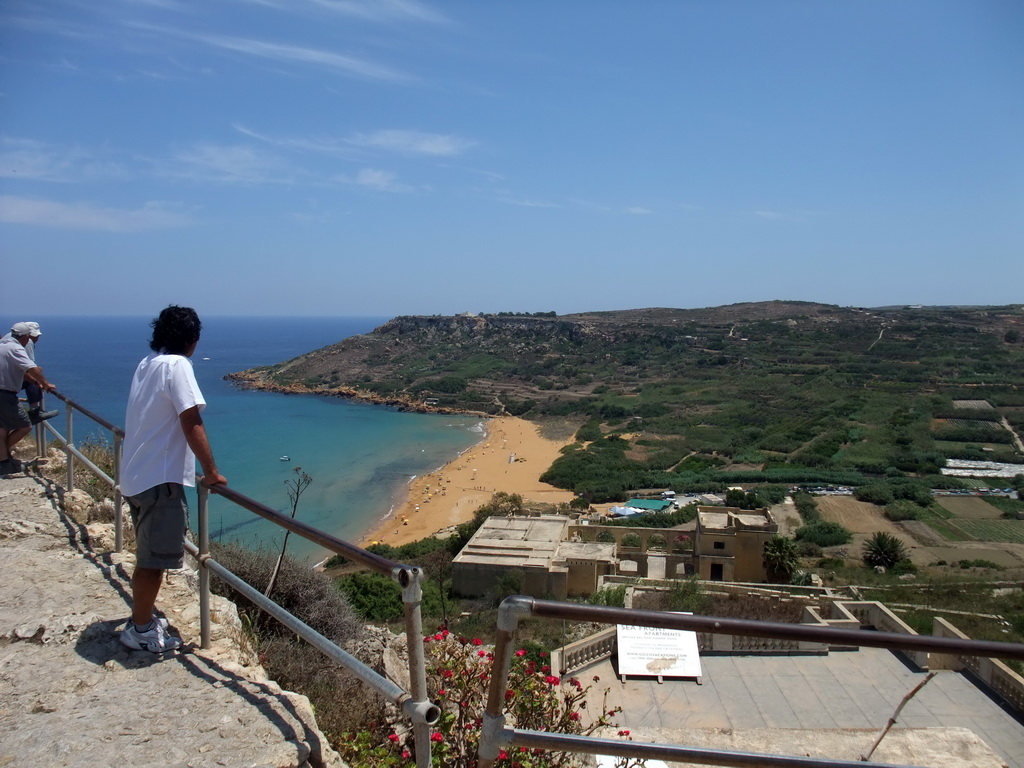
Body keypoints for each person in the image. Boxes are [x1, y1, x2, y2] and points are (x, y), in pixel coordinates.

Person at [119, 306, 227, 653]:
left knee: (148, 555)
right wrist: (211, 472)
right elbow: (191, 418)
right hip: (159, 481)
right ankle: (139, 630)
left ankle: (143, 617)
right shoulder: (179, 365)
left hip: (135, 475)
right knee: (153, 562)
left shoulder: (147, 364)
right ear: (192, 340)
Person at [0, 322, 57, 473]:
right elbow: (31, 367)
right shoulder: (16, 348)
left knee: (2, 429)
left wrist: (33, 380)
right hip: (5, 394)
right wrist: (45, 383)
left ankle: (4, 462)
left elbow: (21, 370)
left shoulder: (3, 344)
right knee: (25, 426)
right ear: (25, 337)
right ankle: (3, 456)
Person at [0, 322, 59, 424]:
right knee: (33, 381)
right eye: (36, 336)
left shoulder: (7, 338)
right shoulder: (25, 343)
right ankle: (35, 411)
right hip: (6, 386)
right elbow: (30, 368)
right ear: (27, 336)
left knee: (3, 427)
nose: (37, 339)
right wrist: (44, 384)